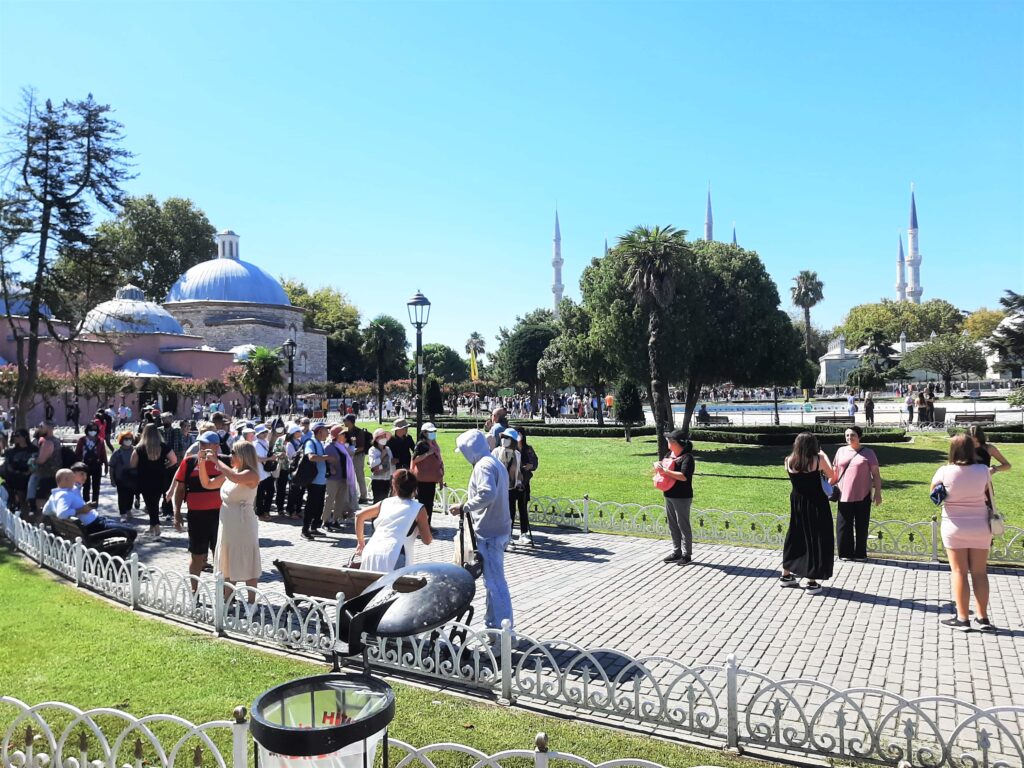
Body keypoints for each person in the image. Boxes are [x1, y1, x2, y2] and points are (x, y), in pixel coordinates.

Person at [930, 434, 995, 631]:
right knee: (979, 572)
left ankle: (963, 618)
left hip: (954, 526)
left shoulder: (944, 471)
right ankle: (983, 618)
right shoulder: (984, 470)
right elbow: (988, 492)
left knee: (959, 572)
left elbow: (932, 493)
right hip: (980, 526)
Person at [450, 429, 513, 631]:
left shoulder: (483, 466)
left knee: (495, 585)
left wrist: (464, 507)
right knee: (492, 584)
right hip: (497, 529)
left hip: (490, 533)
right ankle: (494, 626)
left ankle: (505, 632)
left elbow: (488, 494)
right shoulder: (494, 462)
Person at [198, 440, 262, 602]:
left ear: (243, 455)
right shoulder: (232, 471)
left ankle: (251, 601)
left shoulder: (251, 474)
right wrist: (202, 463)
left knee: (247, 560)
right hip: (227, 522)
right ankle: (226, 599)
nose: (230, 456)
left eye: (233, 453)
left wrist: (216, 461)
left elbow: (235, 478)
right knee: (228, 560)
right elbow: (208, 484)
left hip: (243, 524)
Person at [780, 432, 836, 593]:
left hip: (797, 501)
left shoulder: (789, 460)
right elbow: (832, 476)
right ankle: (811, 581)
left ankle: (786, 574)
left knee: (795, 535)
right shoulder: (819, 460)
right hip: (816, 502)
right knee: (815, 537)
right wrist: (824, 455)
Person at [355, 469, 433, 572]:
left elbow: (359, 516)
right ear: (415, 488)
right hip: (395, 553)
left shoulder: (385, 503)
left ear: (394, 485)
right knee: (395, 587)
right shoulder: (418, 508)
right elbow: (427, 540)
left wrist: (361, 542)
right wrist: (420, 528)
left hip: (372, 549)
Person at [173, 431, 223, 587]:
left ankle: (223, 593)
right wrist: (176, 512)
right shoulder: (189, 463)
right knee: (197, 556)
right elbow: (180, 489)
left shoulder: (225, 462)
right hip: (197, 516)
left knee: (220, 556)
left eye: (207, 444)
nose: (203, 446)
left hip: (220, 516)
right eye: (201, 443)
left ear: (216, 446)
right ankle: (194, 592)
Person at [832, 426, 883, 561]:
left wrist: (878, 493)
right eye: (847, 435)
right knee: (843, 526)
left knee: (862, 525)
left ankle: (860, 553)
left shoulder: (868, 453)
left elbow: (876, 475)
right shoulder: (840, 451)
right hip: (844, 495)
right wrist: (828, 488)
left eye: (853, 435)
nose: (849, 438)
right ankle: (845, 553)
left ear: (859, 436)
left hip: (863, 494)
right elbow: (834, 473)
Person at [654, 429, 696, 564]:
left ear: (677, 443)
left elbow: (683, 477)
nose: (668, 442)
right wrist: (658, 466)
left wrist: (665, 471)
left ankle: (686, 555)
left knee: (683, 525)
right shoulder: (669, 454)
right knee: (673, 525)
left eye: (670, 440)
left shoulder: (687, 458)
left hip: (682, 496)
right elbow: (663, 465)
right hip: (669, 494)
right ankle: (676, 552)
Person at [130, 423, 177, 539]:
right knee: (154, 503)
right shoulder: (163, 446)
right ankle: (153, 526)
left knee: (150, 503)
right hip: (160, 478)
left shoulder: (139, 448)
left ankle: (156, 528)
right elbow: (174, 460)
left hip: (145, 479)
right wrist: (165, 465)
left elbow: (132, 464)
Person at [491, 427, 525, 541]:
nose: (504, 440)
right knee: (499, 514)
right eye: (503, 437)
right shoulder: (495, 452)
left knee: (510, 514)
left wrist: (519, 482)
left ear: (513, 441)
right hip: (498, 488)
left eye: (507, 438)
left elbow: (518, 471)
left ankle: (508, 535)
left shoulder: (517, 454)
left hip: (511, 488)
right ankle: (499, 535)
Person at [300, 422, 331, 540]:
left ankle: (314, 528)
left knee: (319, 505)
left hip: (322, 480)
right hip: (314, 481)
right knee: (311, 506)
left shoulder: (320, 443)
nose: (327, 433)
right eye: (325, 430)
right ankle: (305, 529)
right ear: (319, 431)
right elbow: (311, 457)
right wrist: (327, 457)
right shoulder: (310, 442)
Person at [323, 425, 357, 530]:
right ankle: (325, 521)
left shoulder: (342, 446)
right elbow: (325, 461)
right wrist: (331, 467)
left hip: (343, 477)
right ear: (337, 435)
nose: (345, 436)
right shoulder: (329, 447)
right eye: (343, 434)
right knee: (330, 500)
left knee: (340, 501)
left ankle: (335, 520)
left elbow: (350, 455)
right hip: (333, 478)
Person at [411, 422, 444, 527]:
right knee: (422, 504)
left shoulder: (435, 444)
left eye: (434, 431)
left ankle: (427, 524)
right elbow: (414, 459)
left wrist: (440, 478)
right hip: (422, 479)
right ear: (424, 433)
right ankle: (422, 525)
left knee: (430, 504)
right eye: (430, 432)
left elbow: (438, 461)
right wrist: (427, 454)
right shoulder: (421, 444)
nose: (433, 433)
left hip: (432, 479)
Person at [29, 423, 61, 518]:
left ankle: (39, 525)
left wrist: (33, 460)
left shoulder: (48, 442)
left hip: (46, 476)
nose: (39, 429)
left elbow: (41, 460)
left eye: (41, 427)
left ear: (49, 428)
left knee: (40, 503)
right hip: (54, 475)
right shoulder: (56, 441)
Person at [74, 424, 108, 505]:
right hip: (84, 465)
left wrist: (106, 465)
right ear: (87, 430)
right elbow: (77, 453)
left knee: (96, 486)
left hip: (96, 465)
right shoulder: (82, 440)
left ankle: (95, 503)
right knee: (86, 486)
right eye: (91, 429)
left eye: (95, 429)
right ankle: (86, 503)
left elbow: (103, 454)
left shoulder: (100, 440)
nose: (93, 431)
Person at [2, 429, 34, 512]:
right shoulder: (10, 452)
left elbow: (35, 463)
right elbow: (8, 466)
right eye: (14, 436)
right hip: (16, 479)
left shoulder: (33, 449)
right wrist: (18, 473)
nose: (15, 438)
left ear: (25, 437)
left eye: (17, 436)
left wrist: (28, 472)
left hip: (30, 477)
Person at [108, 431, 137, 522]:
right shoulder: (117, 453)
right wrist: (112, 479)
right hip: (120, 478)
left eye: (130, 439)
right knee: (122, 496)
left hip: (132, 477)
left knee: (131, 495)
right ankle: (123, 513)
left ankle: (128, 509)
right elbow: (112, 466)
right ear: (121, 440)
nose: (128, 441)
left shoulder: (135, 451)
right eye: (126, 439)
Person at [516, 428, 539, 541]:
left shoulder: (528, 449)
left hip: (524, 482)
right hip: (512, 482)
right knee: (509, 508)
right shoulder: (510, 449)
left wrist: (530, 466)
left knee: (523, 507)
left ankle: (523, 532)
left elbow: (535, 462)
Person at [343, 414, 370, 503]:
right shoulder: (346, 432)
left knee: (359, 475)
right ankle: (351, 495)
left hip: (358, 456)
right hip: (349, 456)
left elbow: (361, 447)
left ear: (350, 421)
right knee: (349, 476)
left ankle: (363, 496)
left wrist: (351, 452)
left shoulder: (359, 432)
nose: (344, 422)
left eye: (345, 421)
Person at [253, 424, 275, 520]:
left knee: (271, 491)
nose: (265, 434)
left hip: (266, 472)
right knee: (260, 495)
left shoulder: (265, 442)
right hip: (260, 473)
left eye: (265, 432)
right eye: (263, 432)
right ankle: (260, 513)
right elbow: (257, 459)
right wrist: (270, 458)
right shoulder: (256, 444)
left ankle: (266, 510)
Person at [368, 428, 394, 503]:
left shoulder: (388, 449)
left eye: (384, 436)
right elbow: (372, 464)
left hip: (387, 479)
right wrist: (381, 456)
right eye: (381, 436)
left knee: (385, 502)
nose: (384, 438)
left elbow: (390, 463)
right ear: (376, 439)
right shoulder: (372, 450)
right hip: (377, 479)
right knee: (377, 502)